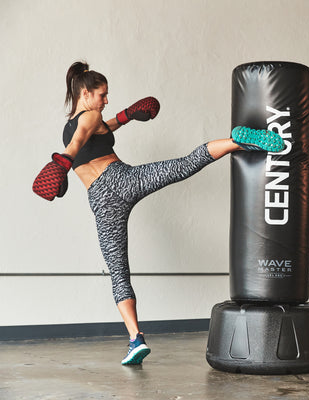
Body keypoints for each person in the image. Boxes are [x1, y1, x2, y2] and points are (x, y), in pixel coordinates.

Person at [32, 61, 284, 365]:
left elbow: (90, 134)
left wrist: (126, 117)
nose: (106, 100)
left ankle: (135, 339)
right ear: (85, 93)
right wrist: (63, 162)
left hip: (101, 200)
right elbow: (78, 143)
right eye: (103, 94)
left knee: (118, 271)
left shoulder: (73, 123)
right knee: (183, 165)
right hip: (121, 179)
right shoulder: (90, 116)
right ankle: (236, 141)